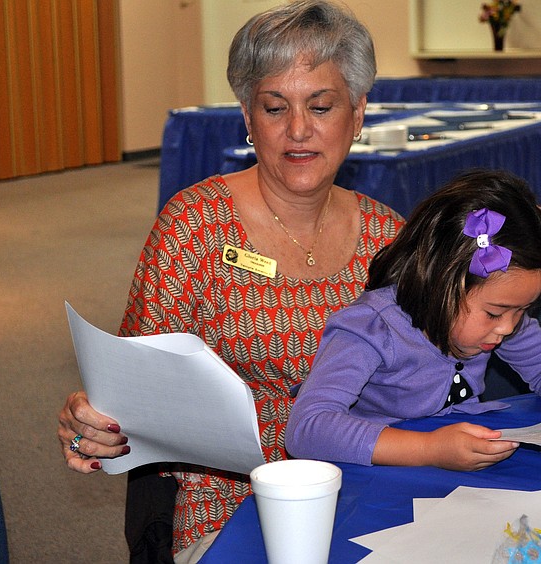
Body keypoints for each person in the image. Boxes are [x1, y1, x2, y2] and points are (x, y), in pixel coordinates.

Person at [56, 1, 404, 562]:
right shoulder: (195, 227)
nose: (298, 130)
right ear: (247, 116)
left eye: (320, 106)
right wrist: (95, 424)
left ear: (358, 114)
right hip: (234, 503)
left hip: (376, 483)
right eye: (274, 107)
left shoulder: (391, 238)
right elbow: (133, 391)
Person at [285, 169, 541, 470]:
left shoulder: (498, 321)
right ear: (441, 282)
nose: (508, 328)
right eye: (495, 313)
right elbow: (308, 429)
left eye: (520, 311)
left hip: (452, 472)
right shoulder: (371, 329)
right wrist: (430, 450)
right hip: (374, 476)